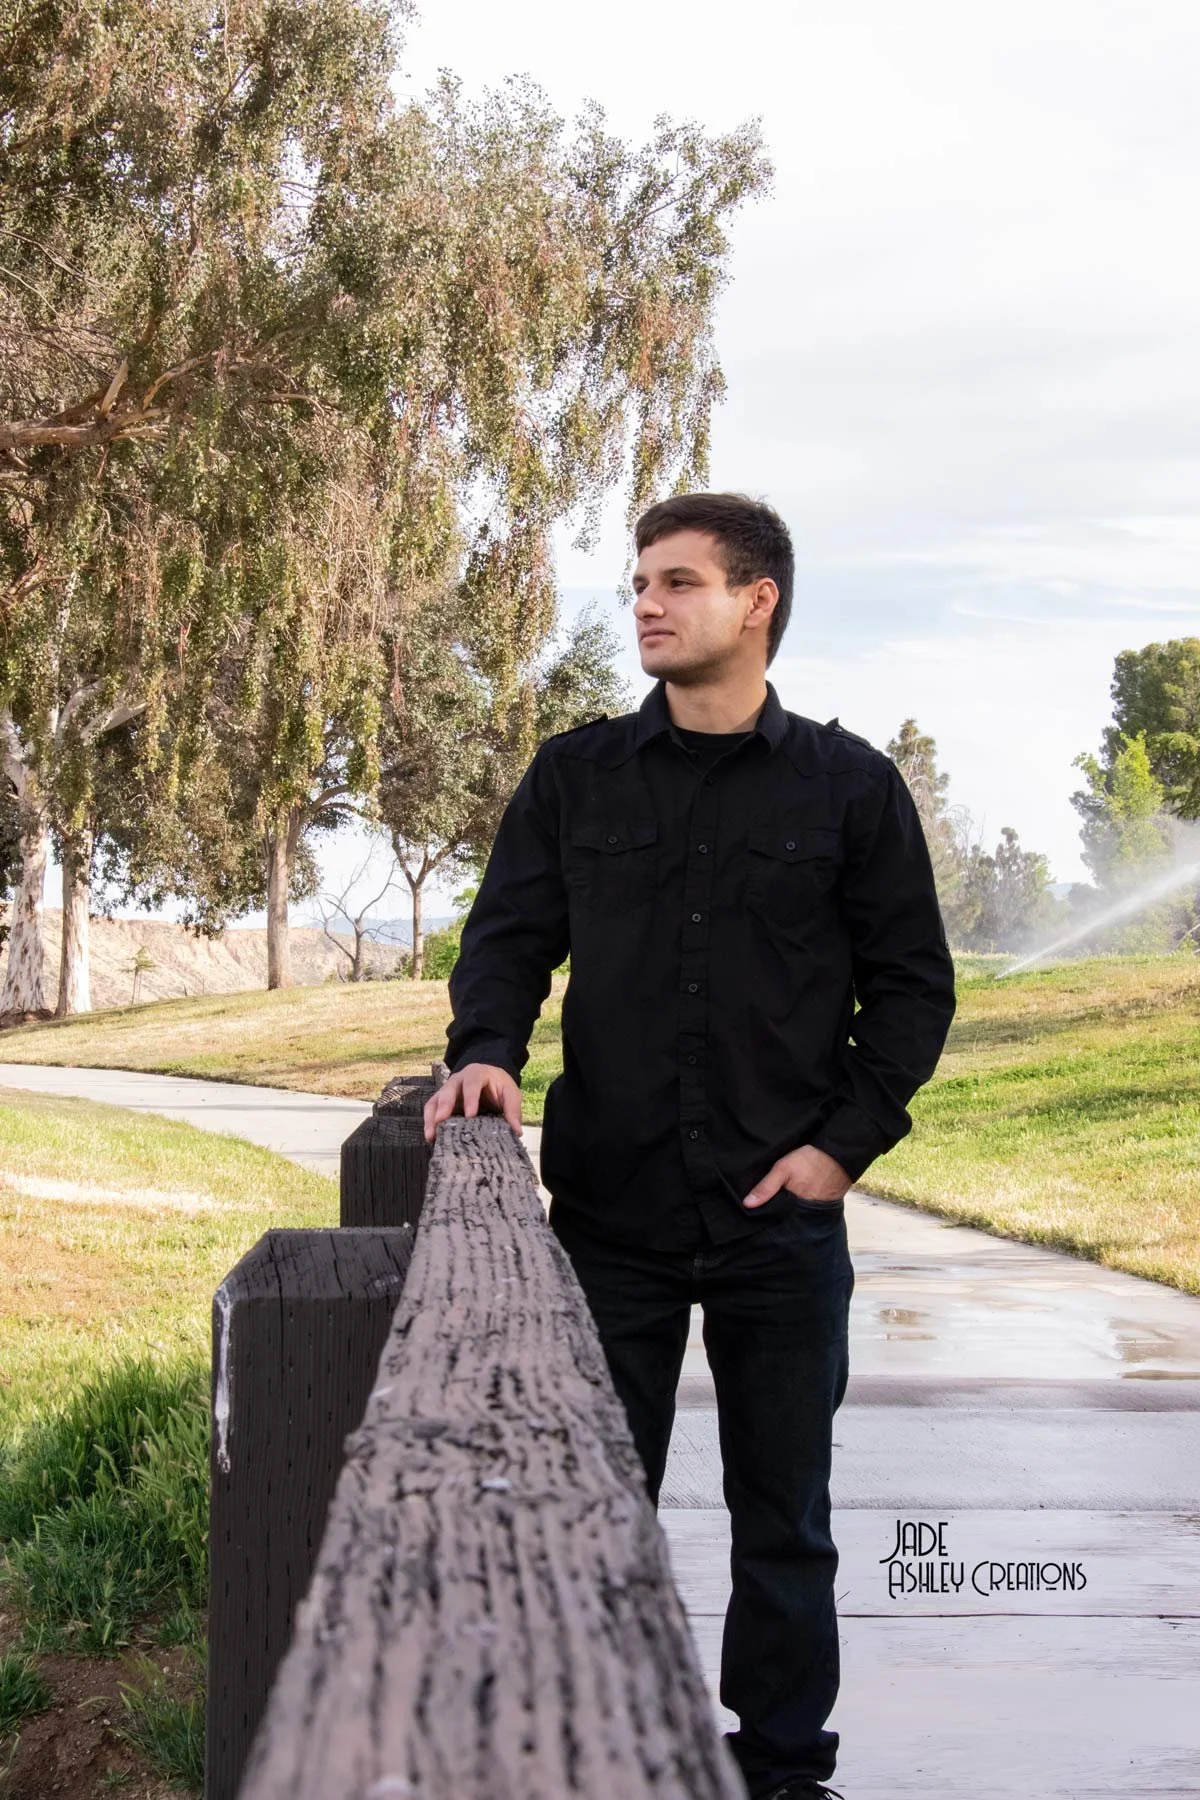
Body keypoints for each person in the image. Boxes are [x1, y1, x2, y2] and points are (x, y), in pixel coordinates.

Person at [424, 491, 956, 1800]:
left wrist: (843, 1148)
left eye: (677, 582)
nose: (647, 605)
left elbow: (913, 991)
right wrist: (485, 1049)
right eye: (642, 583)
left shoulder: (851, 788)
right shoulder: (575, 776)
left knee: (787, 1528)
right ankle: (599, 1753)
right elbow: (506, 946)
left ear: (756, 601)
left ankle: (782, 1772)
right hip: (611, 1219)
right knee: (593, 1517)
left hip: (783, 1225)